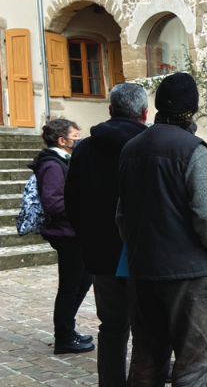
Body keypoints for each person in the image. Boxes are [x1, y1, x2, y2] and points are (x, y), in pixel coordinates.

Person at [116, 72, 207, 385]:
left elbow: (121, 215)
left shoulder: (130, 149)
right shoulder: (192, 148)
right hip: (186, 274)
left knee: (146, 359)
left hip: (141, 270)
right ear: (192, 108)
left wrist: (140, 249)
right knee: (195, 362)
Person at [65, 83, 149, 382]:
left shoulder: (85, 147)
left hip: (102, 253)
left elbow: (71, 202)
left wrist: (88, 238)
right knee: (148, 326)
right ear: (144, 112)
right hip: (146, 252)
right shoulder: (150, 144)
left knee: (112, 327)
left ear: (110, 110)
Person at [30, 118, 94, 355]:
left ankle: (68, 329)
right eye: (75, 136)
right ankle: (64, 337)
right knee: (70, 286)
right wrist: (84, 210)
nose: (78, 139)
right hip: (67, 233)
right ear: (62, 140)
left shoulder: (62, 161)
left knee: (85, 279)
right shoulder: (52, 165)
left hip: (73, 231)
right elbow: (54, 204)